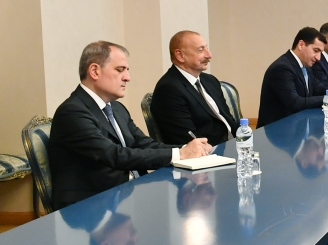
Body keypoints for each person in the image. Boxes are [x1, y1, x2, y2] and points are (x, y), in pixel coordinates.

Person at [48, 41, 211, 210]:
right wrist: (180, 154)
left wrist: (187, 149)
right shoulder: (72, 112)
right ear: (95, 71)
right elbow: (114, 155)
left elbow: (144, 143)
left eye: (127, 70)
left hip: (125, 194)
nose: (127, 77)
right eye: (120, 70)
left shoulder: (116, 108)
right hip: (90, 206)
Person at [151, 31, 239, 146]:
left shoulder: (210, 80)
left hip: (235, 145)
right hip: (210, 152)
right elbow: (188, 139)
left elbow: (228, 120)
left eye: (207, 48)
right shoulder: (169, 90)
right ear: (180, 55)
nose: (209, 55)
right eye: (201, 50)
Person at [258, 28, 328, 128]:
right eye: (316, 50)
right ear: (301, 45)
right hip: (278, 131)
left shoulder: (305, 66)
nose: (318, 58)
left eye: (320, 53)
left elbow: (320, 88)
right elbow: (295, 102)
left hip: (298, 127)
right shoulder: (282, 68)